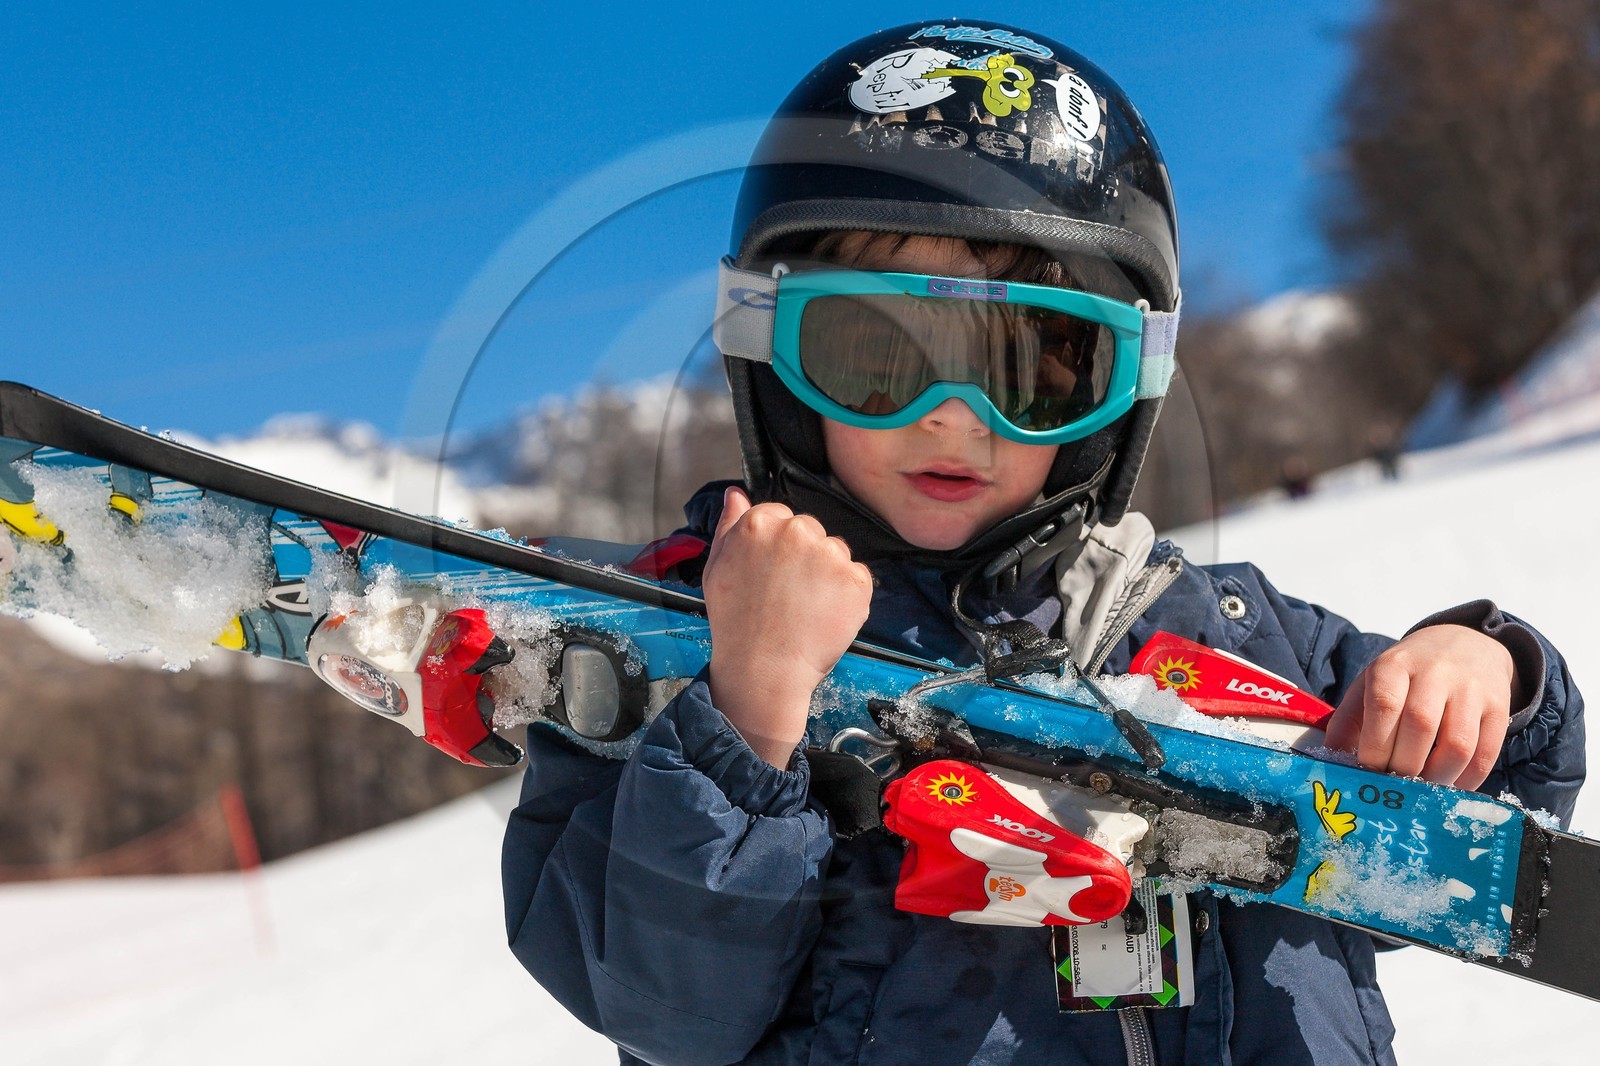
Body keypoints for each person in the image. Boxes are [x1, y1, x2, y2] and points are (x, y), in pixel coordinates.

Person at [501, 22, 1584, 1065]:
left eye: (1037, 363)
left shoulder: (1239, 641)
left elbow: (1490, 834)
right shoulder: (670, 660)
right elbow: (663, 1012)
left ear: (1122, 392)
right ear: (773, 354)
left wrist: (1484, 667)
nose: (953, 415)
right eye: (874, 355)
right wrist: (744, 717)